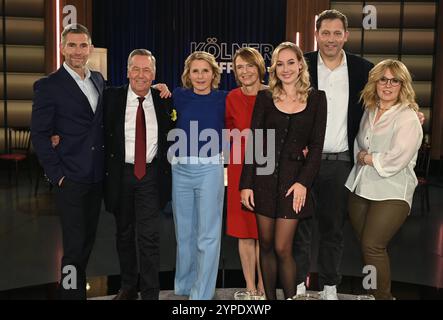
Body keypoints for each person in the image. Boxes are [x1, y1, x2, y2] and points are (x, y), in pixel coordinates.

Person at [292, 10, 374, 300]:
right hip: (302, 163)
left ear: (346, 36)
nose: (331, 39)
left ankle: (329, 286)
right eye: (325, 33)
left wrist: (412, 111)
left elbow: (388, 97)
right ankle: (299, 284)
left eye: (337, 33)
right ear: (317, 35)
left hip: (340, 162)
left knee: (333, 229)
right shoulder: (301, 64)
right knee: (299, 226)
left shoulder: (362, 69)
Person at [240, 42, 327, 300]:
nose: (286, 68)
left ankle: (289, 298)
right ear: (274, 68)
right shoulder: (265, 98)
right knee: (265, 245)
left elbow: (316, 146)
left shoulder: (316, 99)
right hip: (263, 180)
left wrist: (303, 183)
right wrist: (246, 183)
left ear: (301, 64)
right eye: (280, 63)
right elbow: (254, 141)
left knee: (282, 248)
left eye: (291, 62)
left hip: (294, 183)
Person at [31, 24, 105, 300]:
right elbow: (39, 135)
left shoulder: (98, 80)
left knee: (86, 242)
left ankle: (73, 289)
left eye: (82, 45)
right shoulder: (48, 86)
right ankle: (71, 295)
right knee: (73, 246)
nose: (77, 51)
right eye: (71, 45)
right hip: (70, 179)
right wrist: (57, 175)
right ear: (62, 48)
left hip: (96, 178)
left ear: (90, 48)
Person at [345, 59, 423, 299]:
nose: (388, 85)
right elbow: (361, 142)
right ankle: (370, 291)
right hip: (361, 186)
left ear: (403, 85)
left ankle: (383, 296)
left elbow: (396, 158)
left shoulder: (408, 117)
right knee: (366, 248)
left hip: (392, 190)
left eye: (395, 81)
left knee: (373, 246)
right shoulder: (370, 109)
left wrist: (368, 158)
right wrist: (362, 155)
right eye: (383, 79)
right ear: (375, 83)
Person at [103, 49, 173, 300]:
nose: (140, 75)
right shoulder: (111, 97)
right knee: (123, 233)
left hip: (151, 175)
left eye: (146, 70)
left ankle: (151, 291)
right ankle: (129, 286)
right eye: (136, 68)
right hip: (121, 175)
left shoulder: (165, 99)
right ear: (127, 71)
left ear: (154, 74)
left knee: (149, 236)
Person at [170, 51, 227, 300]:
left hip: (210, 170)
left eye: (205, 71)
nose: (200, 76)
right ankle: (184, 285)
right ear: (188, 74)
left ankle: (201, 295)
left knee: (207, 235)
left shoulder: (224, 98)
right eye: (195, 71)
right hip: (180, 169)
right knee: (184, 233)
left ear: (214, 74)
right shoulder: (177, 96)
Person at [225, 47, 266, 298]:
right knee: (244, 232)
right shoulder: (231, 97)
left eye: (250, 66)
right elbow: (228, 131)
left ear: (259, 67)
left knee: (264, 233)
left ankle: (264, 286)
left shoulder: (274, 95)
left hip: (267, 168)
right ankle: (250, 287)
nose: (245, 71)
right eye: (240, 67)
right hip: (239, 168)